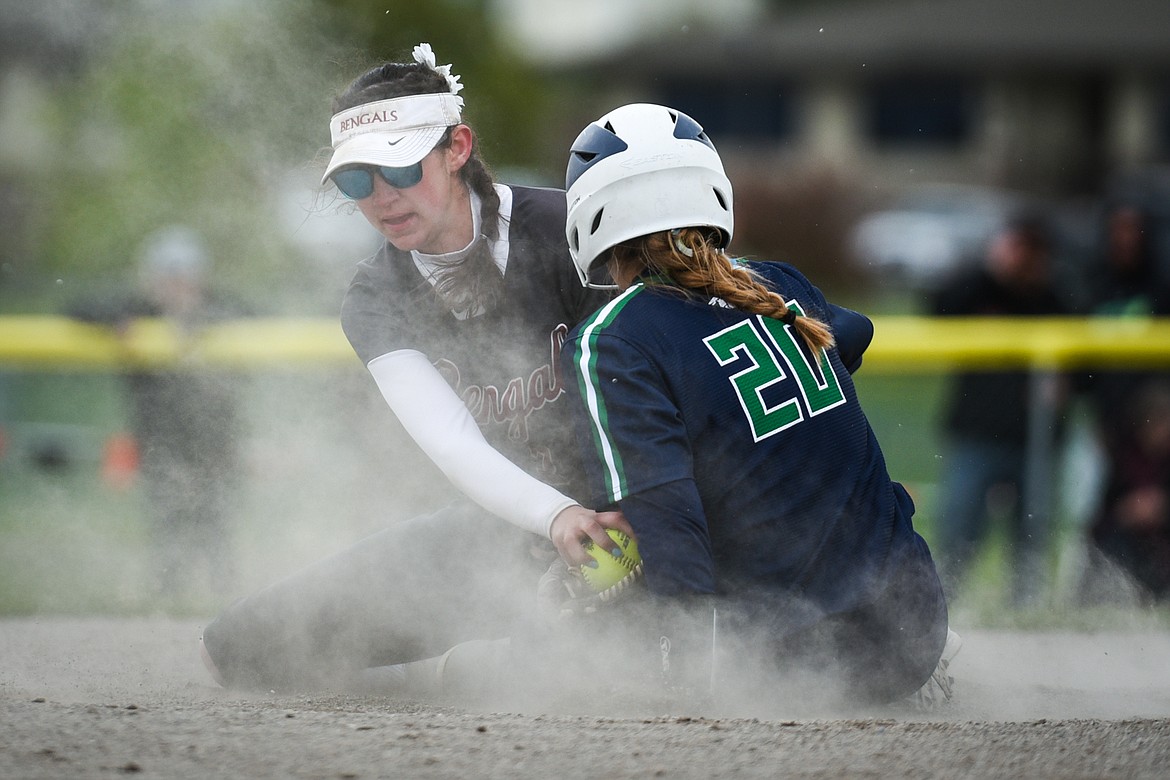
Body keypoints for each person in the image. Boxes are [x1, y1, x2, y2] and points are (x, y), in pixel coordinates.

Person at [198, 44, 620, 691]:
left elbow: (652, 392)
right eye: (357, 180)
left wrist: (618, 515)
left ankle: (511, 660)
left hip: (627, 510)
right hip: (518, 520)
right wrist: (555, 516)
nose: (381, 197)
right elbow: (452, 443)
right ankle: (464, 669)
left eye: (399, 167)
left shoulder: (567, 227)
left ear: (457, 148)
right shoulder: (374, 299)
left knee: (519, 672)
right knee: (239, 647)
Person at [555, 103, 956, 708]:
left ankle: (431, 673)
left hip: (794, 659)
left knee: (573, 607)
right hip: (917, 624)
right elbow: (854, 333)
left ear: (592, 216)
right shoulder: (778, 283)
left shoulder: (613, 338)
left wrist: (679, 673)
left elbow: (670, 517)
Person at [68, 225, 244, 599]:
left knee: (215, 527)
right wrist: (117, 320)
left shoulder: (219, 308)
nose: (176, 286)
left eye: (184, 277)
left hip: (214, 444)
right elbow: (77, 308)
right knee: (167, 527)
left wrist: (203, 320)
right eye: (167, 277)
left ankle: (223, 598)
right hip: (158, 444)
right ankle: (167, 600)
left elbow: (259, 315)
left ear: (200, 278)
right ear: (151, 279)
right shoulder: (134, 311)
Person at [929, 213, 1071, 607]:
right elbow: (937, 307)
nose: (1023, 259)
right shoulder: (979, 290)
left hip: (1036, 438)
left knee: (1032, 532)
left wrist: (1066, 386)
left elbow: (1083, 367)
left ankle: (1027, 609)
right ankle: (945, 607)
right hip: (976, 432)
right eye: (1017, 248)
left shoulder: (1055, 299)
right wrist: (991, 269)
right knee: (959, 527)